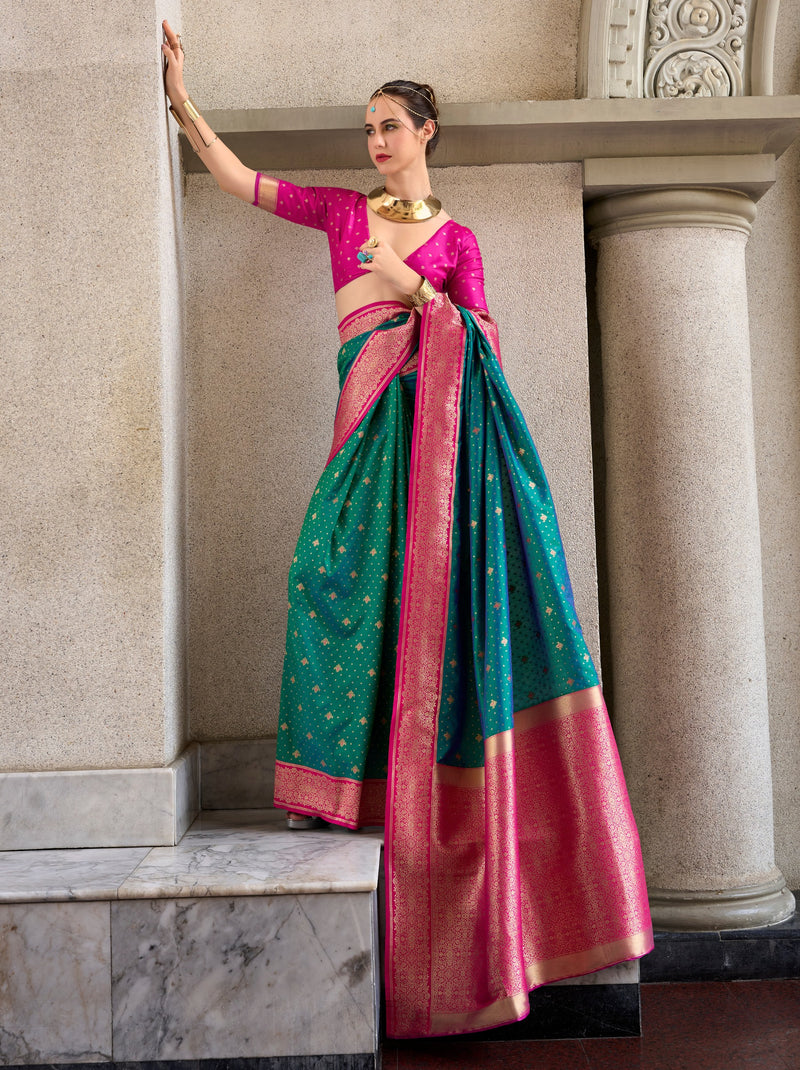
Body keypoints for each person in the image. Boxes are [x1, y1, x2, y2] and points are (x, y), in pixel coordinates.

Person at [161, 21, 653, 1041]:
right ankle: (325, 786)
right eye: (367, 128)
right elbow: (242, 180)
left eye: (388, 126)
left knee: (410, 605)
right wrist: (179, 98)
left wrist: (405, 280)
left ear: (425, 130)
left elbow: (480, 344)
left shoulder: (455, 237)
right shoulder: (342, 211)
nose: (374, 140)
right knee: (325, 574)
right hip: (364, 440)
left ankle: (390, 785)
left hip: (435, 460)